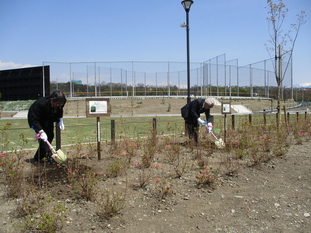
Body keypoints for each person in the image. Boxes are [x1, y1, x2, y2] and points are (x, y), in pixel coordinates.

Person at [27, 90, 66, 163]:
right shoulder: (40, 104)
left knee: (50, 136)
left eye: (61, 104)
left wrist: (60, 120)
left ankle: (38, 157)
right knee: (44, 140)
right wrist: (40, 131)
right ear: (51, 100)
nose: (59, 105)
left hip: (48, 118)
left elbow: (60, 110)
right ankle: (49, 156)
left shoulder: (61, 103)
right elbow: (34, 119)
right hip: (37, 120)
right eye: (57, 104)